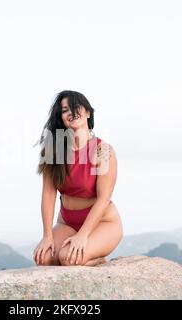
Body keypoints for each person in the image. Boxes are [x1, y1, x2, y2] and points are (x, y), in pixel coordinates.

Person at [33, 90, 123, 266]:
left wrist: (83, 235)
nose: (71, 112)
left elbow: (104, 198)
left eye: (76, 107)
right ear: (61, 118)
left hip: (102, 223)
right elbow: (48, 195)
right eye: (65, 110)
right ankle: (84, 255)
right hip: (67, 223)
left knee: (68, 258)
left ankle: (96, 259)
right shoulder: (54, 150)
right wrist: (47, 236)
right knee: (43, 258)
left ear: (88, 112)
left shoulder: (103, 150)